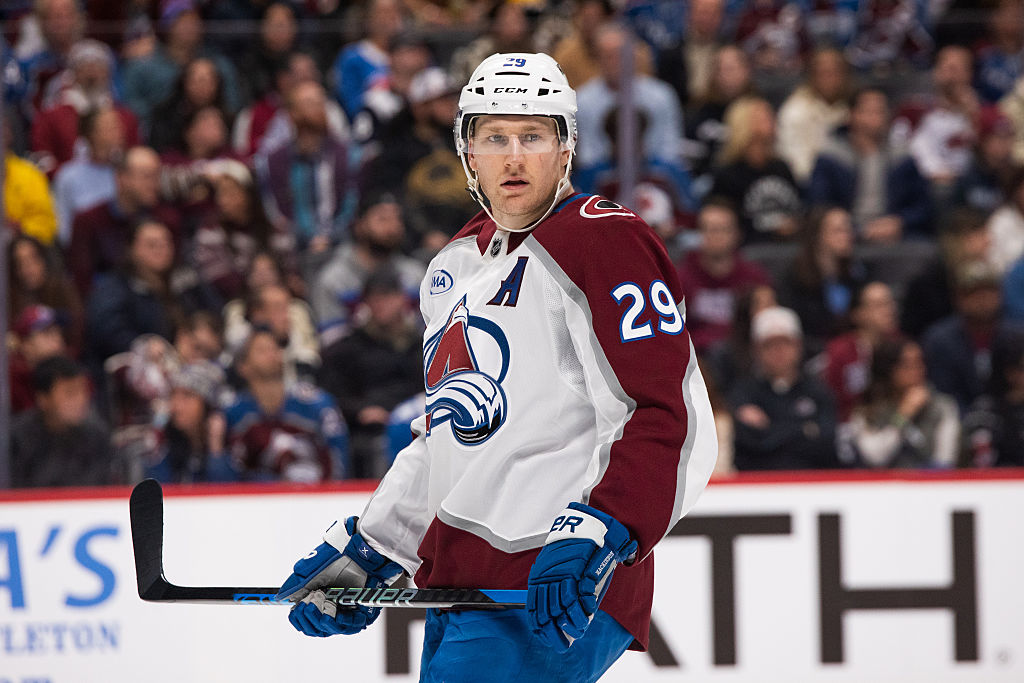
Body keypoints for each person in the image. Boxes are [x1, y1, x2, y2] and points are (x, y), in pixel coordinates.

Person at [275, 52, 717, 681]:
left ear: (565, 148)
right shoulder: (457, 263)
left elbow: (666, 412)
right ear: (468, 151)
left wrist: (604, 527)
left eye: (532, 136)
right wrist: (375, 544)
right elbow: (449, 436)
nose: (513, 158)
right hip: (464, 581)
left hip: (553, 579)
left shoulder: (604, 239)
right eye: (494, 138)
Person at [318, 267, 425, 478]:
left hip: (415, 425)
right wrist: (360, 411)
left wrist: (400, 413)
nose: (380, 304)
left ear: (402, 299)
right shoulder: (346, 349)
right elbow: (331, 394)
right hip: (367, 430)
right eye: (374, 298)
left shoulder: (421, 346)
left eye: (387, 297)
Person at [223, 327, 348, 482]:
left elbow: (338, 458)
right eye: (262, 350)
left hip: (314, 492)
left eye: (275, 348)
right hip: (259, 495)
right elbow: (232, 471)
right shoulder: (233, 412)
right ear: (243, 367)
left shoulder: (317, 404)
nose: (272, 354)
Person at [728, 306, 839, 470]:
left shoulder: (818, 391)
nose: (778, 351)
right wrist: (804, 429)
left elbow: (827, 441)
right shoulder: (743, 393)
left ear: (799, 346)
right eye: (769, 345)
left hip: (810, 478)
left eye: (785, 343)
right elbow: (745, 443)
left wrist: (770, 432)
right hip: (758, 479)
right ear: (756, 350)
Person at [310, 192, 426, 345]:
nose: (392, 227)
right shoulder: (334, 280)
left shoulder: (416, 275)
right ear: (359, 225)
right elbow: (331, 341)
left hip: (410, 355)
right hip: (354, 358)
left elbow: (431, 335)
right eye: (382, 219)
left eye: (397, 219)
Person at [676, 197, 772, 356]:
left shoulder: (754, 277)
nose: (715, 236)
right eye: (708, 229)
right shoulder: (680, 278)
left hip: (744, 356)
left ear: (737, 234)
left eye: (721, 229)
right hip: (697, 358)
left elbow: (766, 324)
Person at [846, 338, 959, 469]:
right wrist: (903, 415)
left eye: (919, 363)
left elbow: (945, 461)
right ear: (888, 369)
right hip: (884, 480)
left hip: (929, 480)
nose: (916, 372)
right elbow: (875, 458)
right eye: (907, 366)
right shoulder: (867, 411)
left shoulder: (943, 406)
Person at [10, 355, 113, 488]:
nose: (81, 400)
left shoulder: (97, 436)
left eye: (83, 391)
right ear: (43, 398)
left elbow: (99, 486)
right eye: (70, 393)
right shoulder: (18, 438)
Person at [823, 281, 902, 423]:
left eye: (890, 303)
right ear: (858, 314)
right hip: (850, 425)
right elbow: (832, 399)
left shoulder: (903, 346)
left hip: (897, 420)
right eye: (879, 305)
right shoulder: (840, 352)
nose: (889, 310)